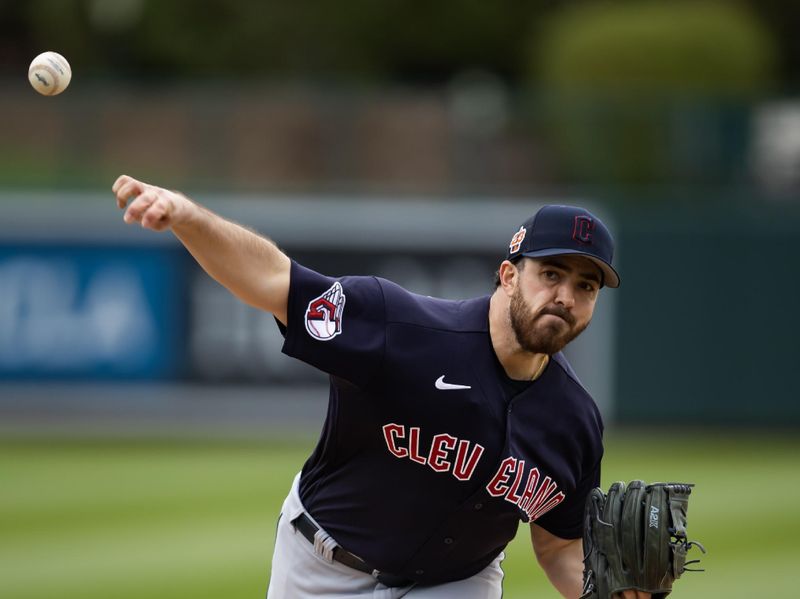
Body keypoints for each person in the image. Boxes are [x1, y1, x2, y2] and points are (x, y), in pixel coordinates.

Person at [112, 175, 649, 599]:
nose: (565, 296)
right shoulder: (399, 327)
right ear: (510, 276)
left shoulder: (574, 421)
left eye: (586, 285)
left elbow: (559, 544)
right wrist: (186, 216)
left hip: (456, 584)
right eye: (550, 274)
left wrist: (612, 590)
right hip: (322, 567)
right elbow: (273, 280)